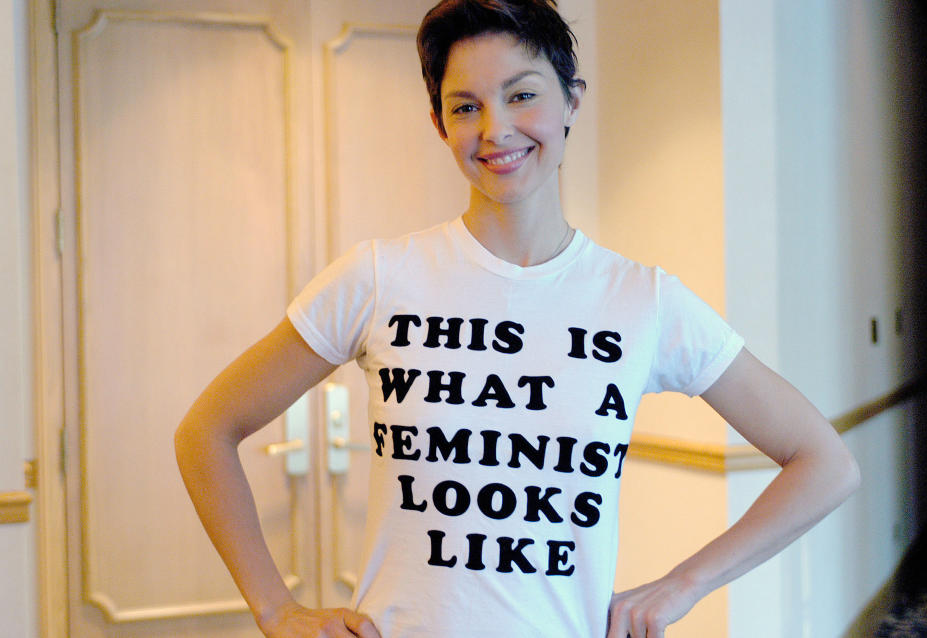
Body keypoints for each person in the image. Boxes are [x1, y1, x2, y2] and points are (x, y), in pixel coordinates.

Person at [174, 1, 861, 636]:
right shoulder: (379, 278)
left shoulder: (643, 300)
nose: (494, 128)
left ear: (571, 102)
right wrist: (276, 608)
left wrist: (684, 584)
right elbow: (206, 431)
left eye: (523, 94)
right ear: (440, 123)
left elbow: (825, 463)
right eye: (464, 105)